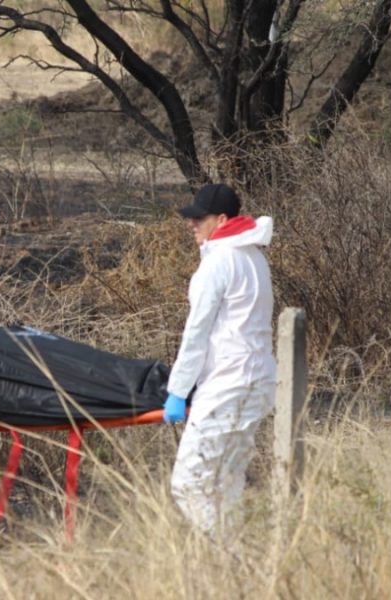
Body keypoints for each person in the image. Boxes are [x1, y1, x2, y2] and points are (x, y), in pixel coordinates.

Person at [163, 182, 276, 534]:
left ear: (222, 219)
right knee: (226, 482)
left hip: (229, 384)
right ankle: (236, 563)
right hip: (259, 383)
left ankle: (225, 558)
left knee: (189, 482)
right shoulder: (254, 257)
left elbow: (197, 334)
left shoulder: (218, 264)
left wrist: (178, 391)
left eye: (200, 218)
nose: (191, 224)